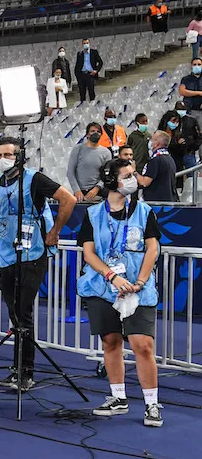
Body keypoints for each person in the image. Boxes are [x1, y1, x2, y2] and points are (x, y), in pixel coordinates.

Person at [77, 158, 162, 426]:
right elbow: (89, 253)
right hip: (104, 288)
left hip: (138, 288)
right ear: (112, 180)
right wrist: (111, 276)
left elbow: (153, 248)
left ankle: (151, 403)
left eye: (133, 174)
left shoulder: (144, 211)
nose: (133, 179)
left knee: (142, 344)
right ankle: (118, 397)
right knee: (110, 342)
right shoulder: (92, 215)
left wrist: (140, 280)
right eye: (127, 175)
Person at [0, 137, 77, 390]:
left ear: (19, 156)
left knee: (23, 314)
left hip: (31, 254)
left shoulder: (35, 179)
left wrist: (54, 232)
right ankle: (17, 368)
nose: (2, 159)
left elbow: (69, 199)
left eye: (8, 155)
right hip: (7, 254)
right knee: (14, 314)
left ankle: (26, 372)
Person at [66, 122, 111, 201]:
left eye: (98, 132)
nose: (95, 133)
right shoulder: (78, 149)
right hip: (80, 193)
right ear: (87, 134)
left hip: (98, 193)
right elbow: (70, 172)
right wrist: (77, 190)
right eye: (92, 131)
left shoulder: (106, 152)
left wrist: (97, 188)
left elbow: (107, 175)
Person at [139, 130, 178, 202]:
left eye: (152, 139)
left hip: (156, 203)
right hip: (168, 200)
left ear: (156, 144)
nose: (150, 141)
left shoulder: (156, 160)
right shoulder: (169, 158)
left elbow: (145, 182)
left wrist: (133, 171)